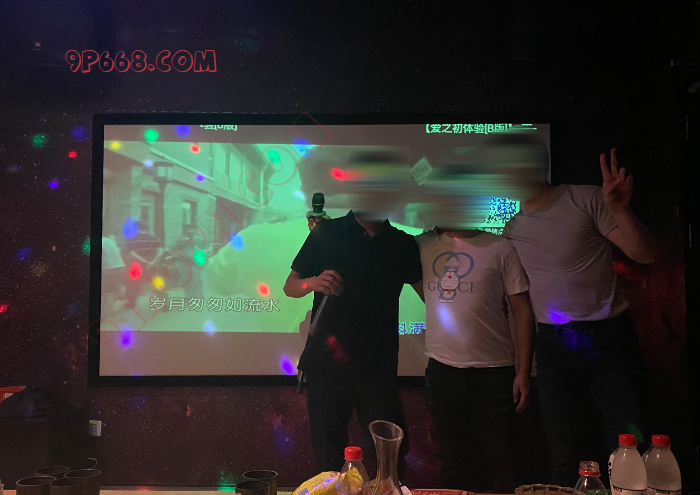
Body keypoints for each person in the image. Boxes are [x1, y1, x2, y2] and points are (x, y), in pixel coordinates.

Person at [491, 131, 657, 487]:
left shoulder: (586, 198)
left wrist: (620, 209)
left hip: (608, 340)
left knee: (629, 444)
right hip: (553, 345)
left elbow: (644, 254)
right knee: (561, 453)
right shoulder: (512, 227)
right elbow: (517, 301)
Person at [283, 150, 423, 476]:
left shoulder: (403, 244)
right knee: (328, 460)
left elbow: (430, 295)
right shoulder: (326, 233)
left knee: (389, 459)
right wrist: (313, 282)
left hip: (377, 366)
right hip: (324, 366)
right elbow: (291, 286)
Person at [415, 163, 534, 492]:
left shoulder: (500, 247)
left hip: (494, 373)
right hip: (442, 371)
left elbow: (522, 311)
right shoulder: (422, 245)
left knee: (502, 461)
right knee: (452, 463)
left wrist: (523, 372)